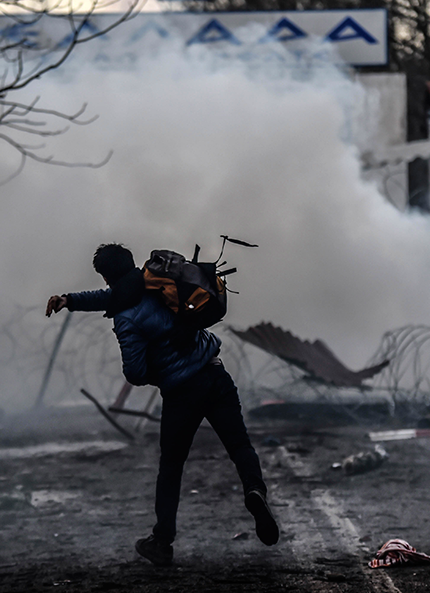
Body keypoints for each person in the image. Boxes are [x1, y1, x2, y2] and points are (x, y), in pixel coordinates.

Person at [46, 243, 279, 566]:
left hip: (181, 392)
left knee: (171, 466)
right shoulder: (157, 282)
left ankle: (162, 540)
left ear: (106, 276)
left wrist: (156, 367)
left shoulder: (126, 316)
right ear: (130, 264)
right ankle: (254, 490)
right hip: (214, 374)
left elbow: (135, 372)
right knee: (239, 444)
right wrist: (70, 300)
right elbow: (108, 297)